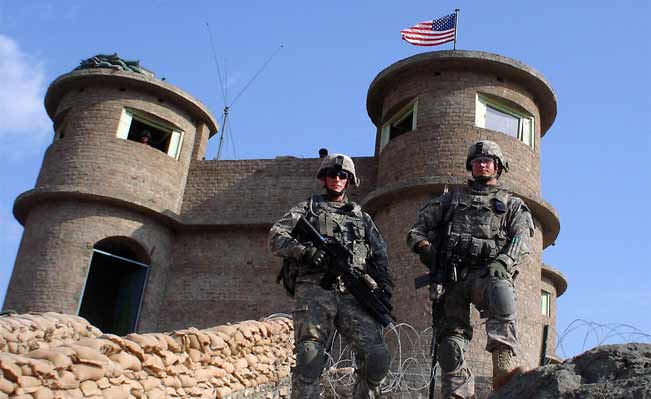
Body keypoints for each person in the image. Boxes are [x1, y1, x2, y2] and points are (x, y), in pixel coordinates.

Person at [406, 140, 534, 398]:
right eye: (477, 161)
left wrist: (505, 261)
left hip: (489, 272)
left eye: (488, 161)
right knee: (450, 343)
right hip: (453, 276)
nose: (482, 164)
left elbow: (521, 238)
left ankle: (503, 371)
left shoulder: (511, 204)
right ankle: (458, 392)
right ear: (470, 166)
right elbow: (416, 229)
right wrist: (424, 248)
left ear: (497, 167)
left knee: (502, 297)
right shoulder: (450, 200)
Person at [269, 153, 393, 399]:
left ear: (350, 180)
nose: (337, 179)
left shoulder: (361, 217)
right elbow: (276, 237)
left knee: (377, 357)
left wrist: (382, 287)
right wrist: (305, 251)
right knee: (309, 356)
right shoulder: (308, 209)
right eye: (332, 174)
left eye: (342, 175)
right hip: (315, 290)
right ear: (324, 178)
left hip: (353, 292)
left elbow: (380, 255)